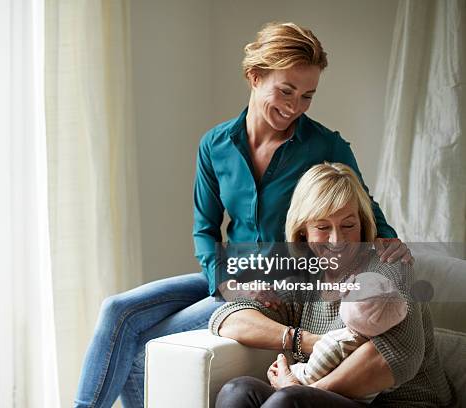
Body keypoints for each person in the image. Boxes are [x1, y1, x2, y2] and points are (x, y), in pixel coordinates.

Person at [74, 22, 411, 408]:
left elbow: (363, 205)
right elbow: (204, 229)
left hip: (277, 287)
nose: (294, 106)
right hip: (229, 276)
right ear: (254, 76)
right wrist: (223, 283)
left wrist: (390, 243)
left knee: (142, 340)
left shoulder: (324, 145)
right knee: (117, 310)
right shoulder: (215, 144)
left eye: (307, 96)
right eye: (286, 91)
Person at [211, 163, 455, 408]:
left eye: (348, 225)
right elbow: (227, 318)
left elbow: (397, 356)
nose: (337, 240)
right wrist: (302, 340)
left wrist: (302, 389)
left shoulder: (389, 265)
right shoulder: (302, 282)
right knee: (238, 390)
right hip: (324, 399)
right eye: (323, 227)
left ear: (362, 225)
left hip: (405, 404)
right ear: (303, 232)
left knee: (289, 400)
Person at [290, 272, 408, 404]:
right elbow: (390, 386)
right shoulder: (383, 354)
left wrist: (291, 370)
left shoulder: (335, 343)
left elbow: (309, 377)